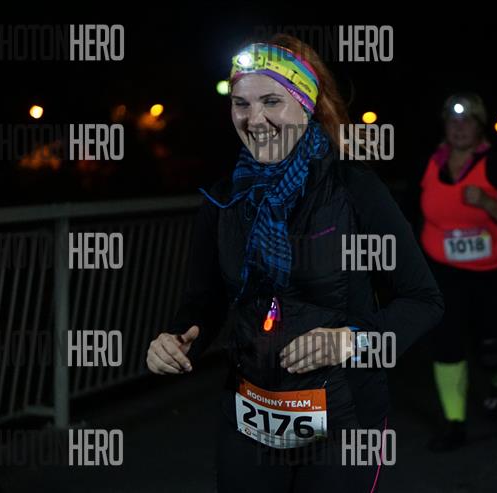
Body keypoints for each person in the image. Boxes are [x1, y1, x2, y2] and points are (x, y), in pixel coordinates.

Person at [146, 34, 444, 492]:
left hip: (343, 419)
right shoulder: (223, 200)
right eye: (241, 103)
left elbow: (423, 301)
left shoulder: (354, 188)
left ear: (306, 106)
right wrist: (178, 340)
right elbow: (203, 302)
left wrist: (351, 341)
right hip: (250, 415)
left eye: (271, 101)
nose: (254, 118)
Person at [419, 93, 497, 452]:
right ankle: (454, 423)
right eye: (452, 121)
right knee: (446, 343)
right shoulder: (430, 163)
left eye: (467, 121)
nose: (459, 127)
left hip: (491, 272)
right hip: (443, 270)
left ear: (480, 127)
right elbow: (411, 209)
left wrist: (490, 203)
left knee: (490, 346)